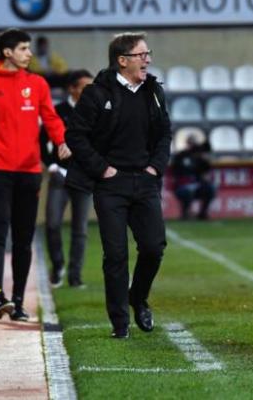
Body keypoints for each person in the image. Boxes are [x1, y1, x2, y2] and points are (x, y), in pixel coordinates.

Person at [0, 28, 69, 322]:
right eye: (23, 48)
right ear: (7, 52)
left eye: (29, 48)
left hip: (30, 172)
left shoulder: (37, 84)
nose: (29, 54)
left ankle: (18, 302)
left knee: (24, 239)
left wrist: (61, 142)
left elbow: (51, 118)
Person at [65, 32, 171, 339]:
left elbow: (165, 133)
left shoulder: (153, 91)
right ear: (122, 61)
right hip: (111, 184)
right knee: (115, 255)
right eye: (141, 55)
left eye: (148, 54)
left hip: (146, 180)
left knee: (153, 247)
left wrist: (155, 167)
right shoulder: (97, 94)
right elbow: (76, 136)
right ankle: (120, 323)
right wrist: (102, 168)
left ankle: (137, 297)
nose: (147, 59)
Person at [40, 70, 94, 288]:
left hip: (84, 176)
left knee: (80, 229)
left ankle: (75, 275)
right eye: (85, 87)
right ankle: (58, 265)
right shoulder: (57, 111)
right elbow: (41, 139)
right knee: (52, 224)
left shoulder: (95, 112)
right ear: (72, 88)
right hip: (60, 175)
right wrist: (51, 165)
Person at [171, 135, 216, 220]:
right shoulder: (181, 156)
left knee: (210, 188)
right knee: (188, 191)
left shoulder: (200, 160)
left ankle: (203, 213)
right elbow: (176, 173)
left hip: (197, 185)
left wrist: (205, 162)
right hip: (182, 186)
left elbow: (205, 175)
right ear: (187, 143)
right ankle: (185, 213)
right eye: (191, 143)